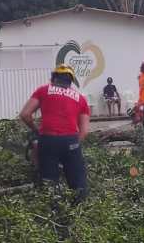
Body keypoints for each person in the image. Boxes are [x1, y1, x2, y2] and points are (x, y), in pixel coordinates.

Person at [19, 64, 91, 199]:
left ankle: (53, 210)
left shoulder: (43, 91)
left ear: (53, 78)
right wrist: (74, 145)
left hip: (48, 140)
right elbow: (84, 131)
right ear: (71, 81)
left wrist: (36, 131)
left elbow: (25, 115)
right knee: (78, 183)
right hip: (71, 140)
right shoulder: (81, 98)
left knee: (49, 183)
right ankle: (80, 211)